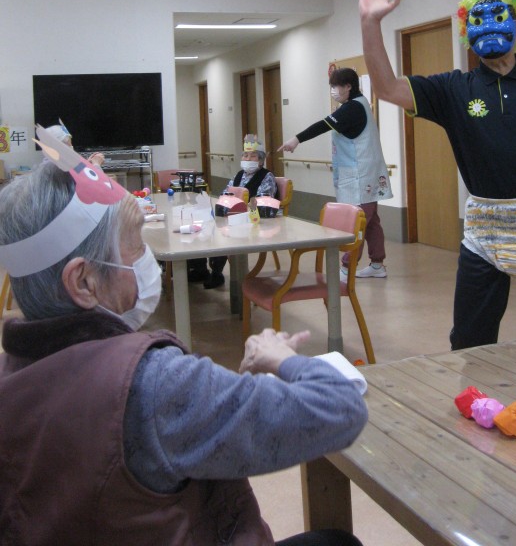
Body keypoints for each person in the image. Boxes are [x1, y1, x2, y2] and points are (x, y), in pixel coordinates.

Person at [0, 125, 367, 546]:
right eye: (134, 242)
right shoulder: (155, 384)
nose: (146, 259)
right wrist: (282, 358)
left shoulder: (10, 378)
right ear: (83, 282)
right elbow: (340, 408)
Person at [356, 0, 516, 349]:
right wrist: (370, 24)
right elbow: (387, 88)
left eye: (498, 16)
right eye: (477, 19)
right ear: (465, 28)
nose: (487, 26)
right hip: (485, 228)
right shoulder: (453, 89)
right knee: (470, 339)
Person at [279, 68, 392, 280]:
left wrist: (296, 139)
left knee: (358, 221)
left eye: (335, 87)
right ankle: (377, 264)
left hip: (361, 175)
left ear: (348, 86)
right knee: (371, 221)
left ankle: (347, 266)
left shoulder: (353, 108)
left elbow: (323, 125)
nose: (332, 91)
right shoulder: (359, 104)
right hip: (363, 172)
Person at [188, 134, 278, 289]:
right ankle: (200, 268)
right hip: (234, 216)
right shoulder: (239, 175)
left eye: (252, 156)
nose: (247, 158)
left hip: (254, 220)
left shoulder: (266, 176)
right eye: (245, 155)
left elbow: (263, 201)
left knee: (222, 232)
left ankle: (216, 272)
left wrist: (241, 205)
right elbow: (225, 193)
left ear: (261, 160)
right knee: (203, 225)